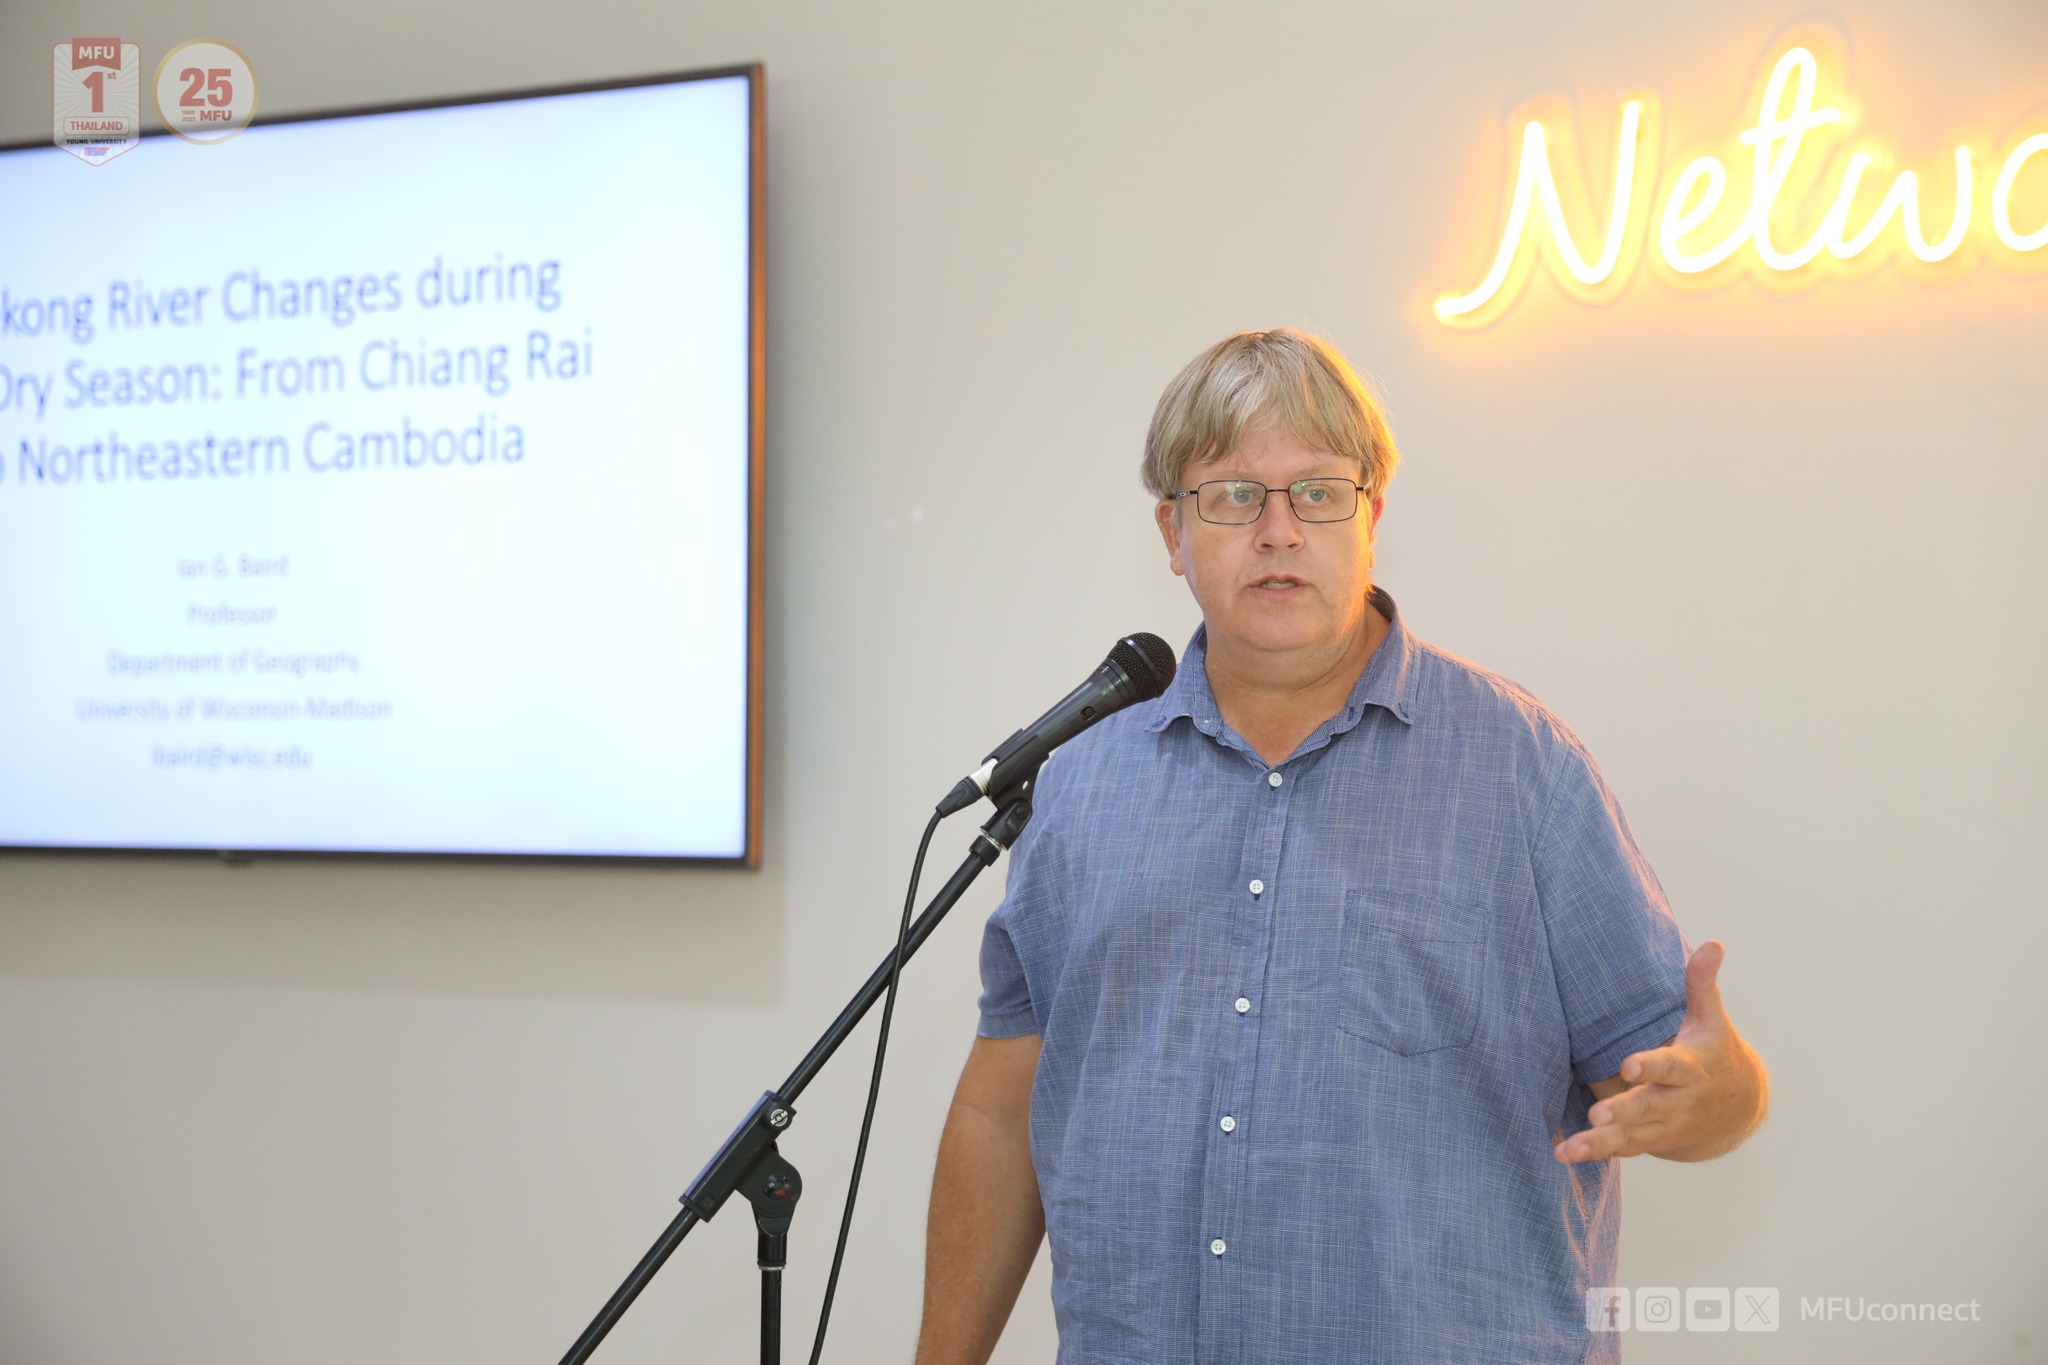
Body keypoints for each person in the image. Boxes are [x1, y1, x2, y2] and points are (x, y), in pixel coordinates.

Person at [913, 328, 1769, 1365]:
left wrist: (1718, 1095)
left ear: (1369, 516)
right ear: (1171, 532)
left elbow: (1690, 1083)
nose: (1277, 532)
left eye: (1315, 491)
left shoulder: (1522, 770)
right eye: (1230, 495)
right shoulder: (1080, 787)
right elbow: (1002, 1116)